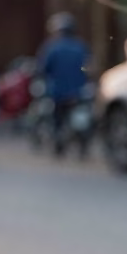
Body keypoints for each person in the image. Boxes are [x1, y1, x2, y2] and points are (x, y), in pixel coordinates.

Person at [36, 12, 91, 155]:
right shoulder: (81, 47)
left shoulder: (52, 47)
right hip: (78, 92)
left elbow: (44, 68)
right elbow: (88, 68)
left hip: (58, 92)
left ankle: (58, 144)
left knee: (57, 119)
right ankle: (81, 143)